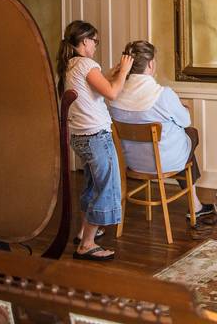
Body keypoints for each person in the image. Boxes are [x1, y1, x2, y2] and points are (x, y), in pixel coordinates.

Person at [109, 40, 214, 219]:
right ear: (151, 64)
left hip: (132, 163)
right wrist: (183, 109)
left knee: (181, 140)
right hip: (163, 162)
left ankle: (195, 204)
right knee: (191, 134)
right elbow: (186, 121)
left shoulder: (114, 95)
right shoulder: (163, 94)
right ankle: (194, 205)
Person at [56, 20, 133, 261]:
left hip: (80, 137)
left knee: (91, 186)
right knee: (105, 188)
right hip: (96, 136)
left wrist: (117, 70)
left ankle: (83, 233)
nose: (95, 46)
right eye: (95, 41)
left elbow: (100, 82)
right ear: (84, 41)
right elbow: (111, 92)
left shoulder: (71, 65)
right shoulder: (86, 63)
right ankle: (87, 244)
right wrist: (125, 72)